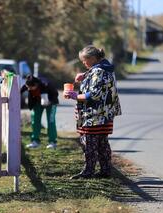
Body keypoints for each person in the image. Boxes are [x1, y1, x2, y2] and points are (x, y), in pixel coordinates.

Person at [63, 45, 122, 179]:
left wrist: (74, 96)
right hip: (105, 113)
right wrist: (85, 76)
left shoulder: (97, 71)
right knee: (102, 143)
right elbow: (101, 84)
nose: (84, 63)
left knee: (89, 143)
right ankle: (105, 170)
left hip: (94, 115)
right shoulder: (105, 68)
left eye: (85, 60)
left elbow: (94, 94)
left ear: (93, 58)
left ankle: (88, 171)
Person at [21, 75, 59, 149]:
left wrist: (49, 101)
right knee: (35, 120)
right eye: (27, 87)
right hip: (37, 102)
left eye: (30, 88)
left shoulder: (46, 84)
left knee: (51, 121)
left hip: (51, 102)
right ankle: (35, 141)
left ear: (36, 85)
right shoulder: (29, 84)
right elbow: (20, 91)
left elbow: (55, 94)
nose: (28, 89)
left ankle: (52, 142)